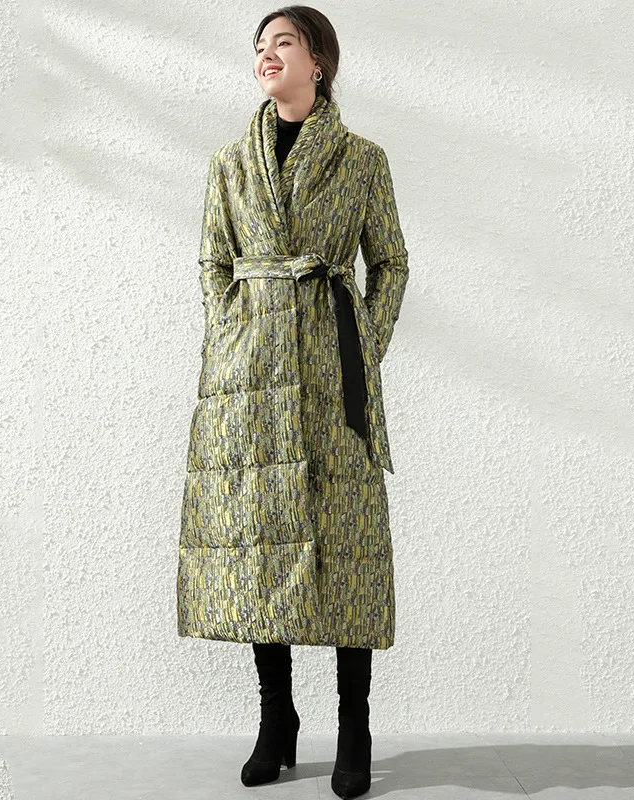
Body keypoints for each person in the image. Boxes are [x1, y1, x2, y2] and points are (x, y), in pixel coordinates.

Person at [175, 6, 409, 799]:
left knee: (346, 538)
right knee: (260, 538)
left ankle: (354, 724)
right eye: (260, 46)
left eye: (284, 43)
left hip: (330, 367)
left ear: (319, 62)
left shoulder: (363, 160)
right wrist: (231, 335)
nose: (266, 55)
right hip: (248, 375)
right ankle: (276, 719)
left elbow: (390, 262)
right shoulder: (229, 163)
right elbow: (214, 262)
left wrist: (362, 348)